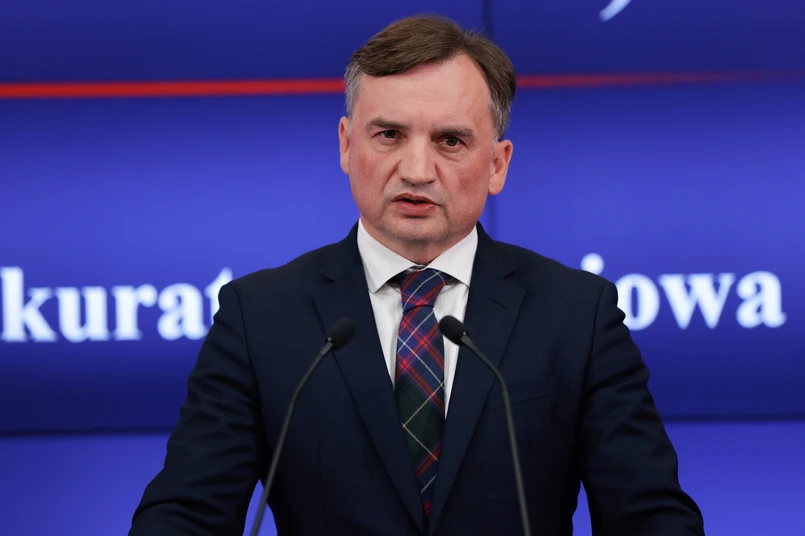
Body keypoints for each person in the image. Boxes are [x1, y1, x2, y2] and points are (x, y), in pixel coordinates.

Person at [130, 15, 704, 536]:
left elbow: (651, 518)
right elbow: (185, 516)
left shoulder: (577, 315)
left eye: (450, 141)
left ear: (497, 164)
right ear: (346, 145)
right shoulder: (260, 318)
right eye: (389, 135)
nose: (416, 169)